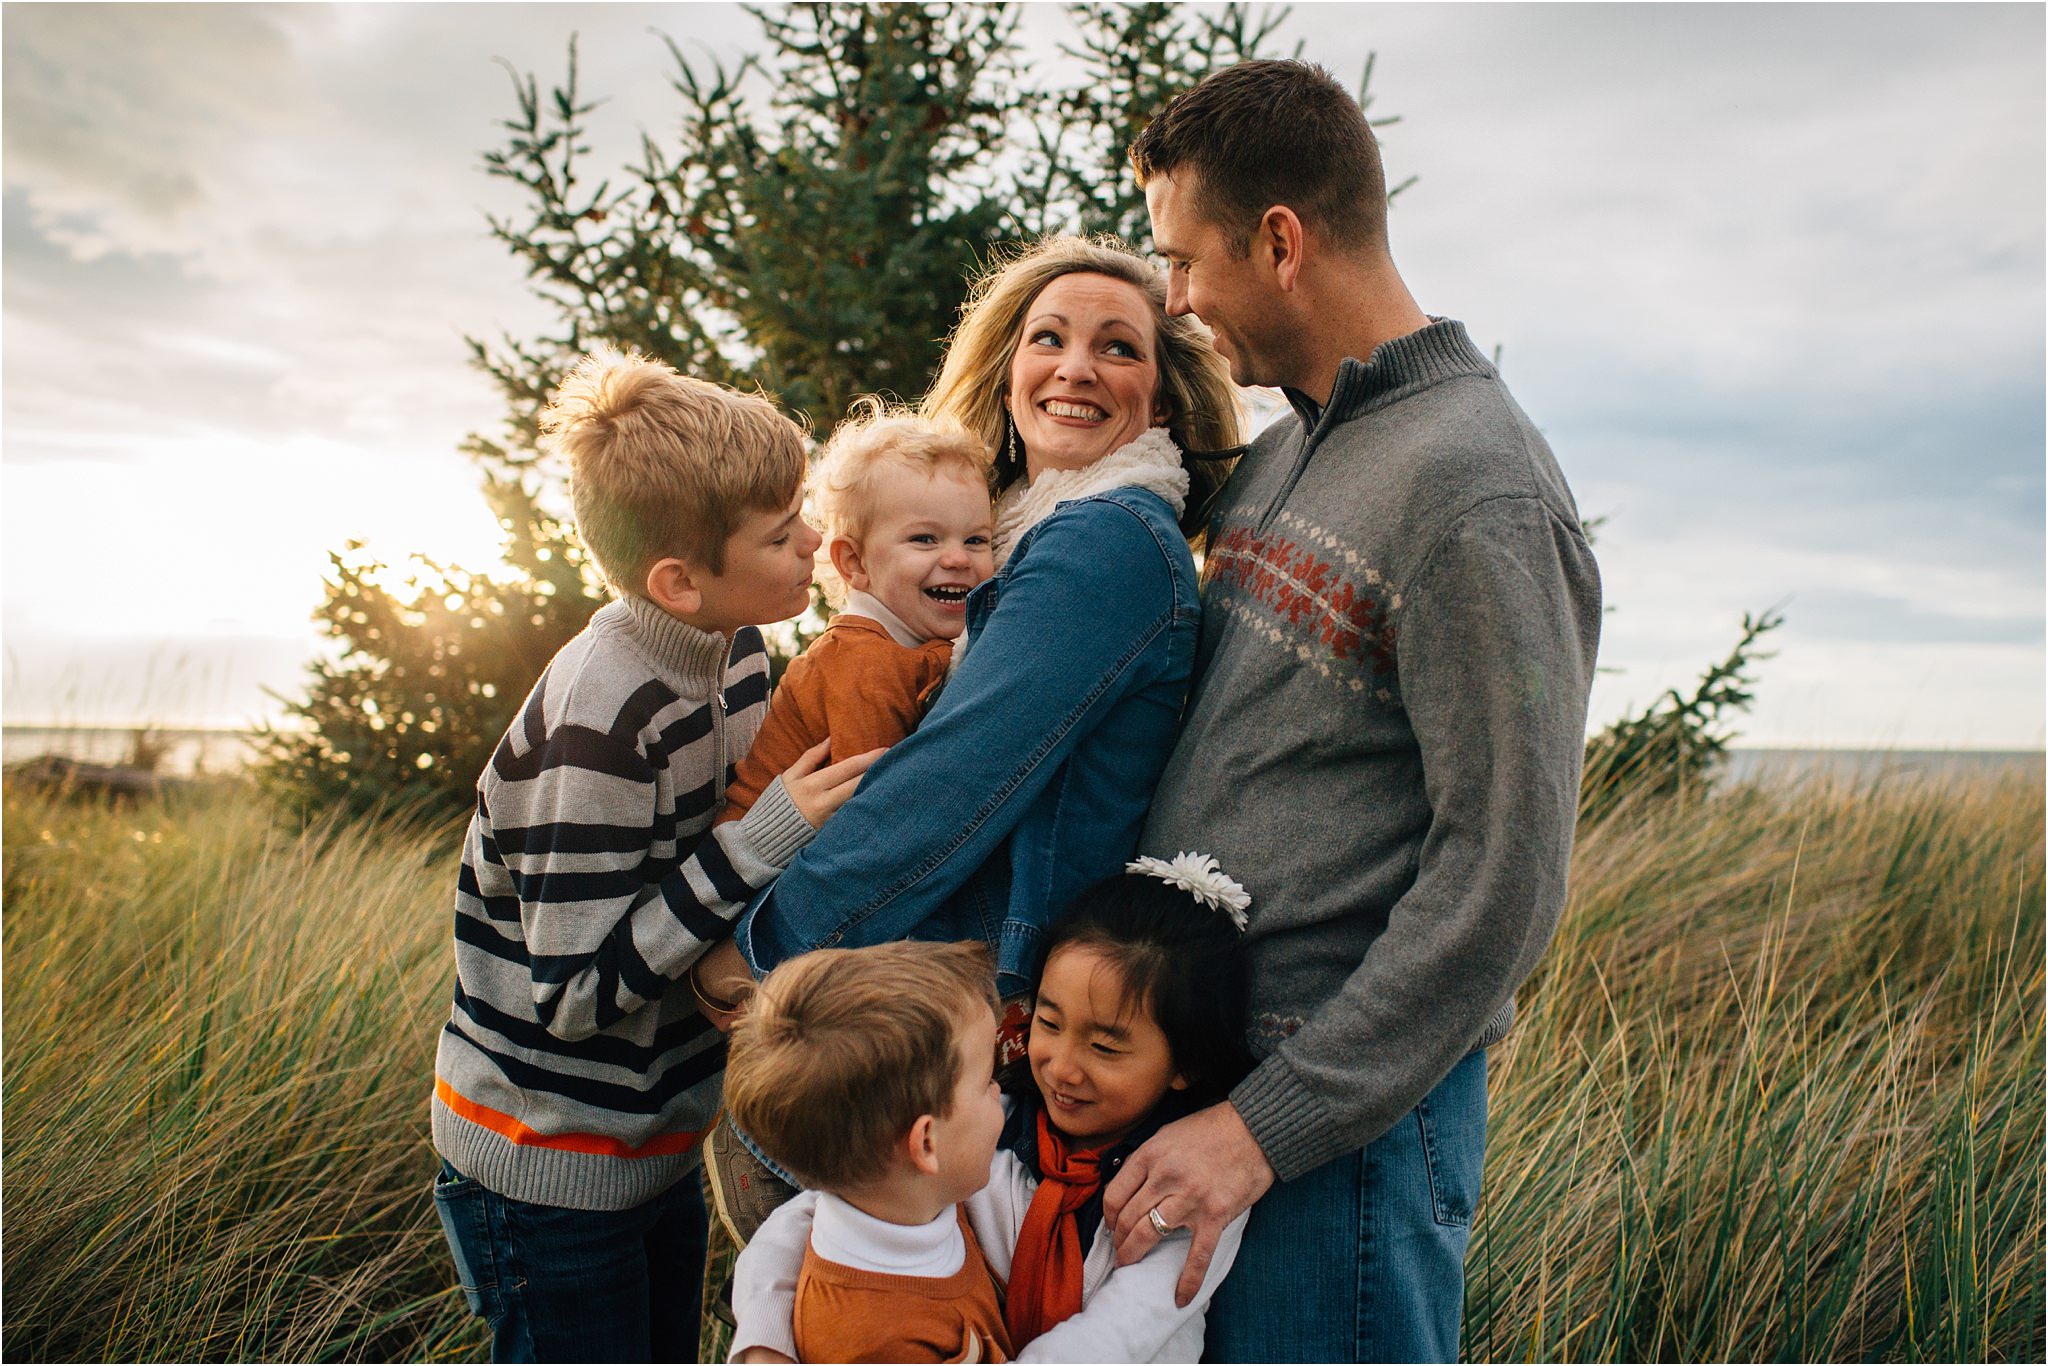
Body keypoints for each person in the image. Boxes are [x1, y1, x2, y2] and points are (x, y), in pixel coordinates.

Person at [1098, 60, 1605, 1363]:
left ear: (1279, 241)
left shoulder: (1474, 490)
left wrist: (1269, 1125)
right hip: (1213, 1090)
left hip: (1340, 1144)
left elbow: (1503, 874)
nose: (1175, 301)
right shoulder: (1289, 444)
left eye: (1182, 259)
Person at [689, 233, 1242, 1074]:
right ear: (1011, 370)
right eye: (1047, 338)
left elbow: (946, 784)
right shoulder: (1014, 529)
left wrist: (763, 951)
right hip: (913, 987)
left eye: (1118, 348)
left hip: (955, 1001)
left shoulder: (1106, 541)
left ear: (1161, 403)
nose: (1075, 367)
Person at [428, 348, 879, 1362]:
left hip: (660, 1140)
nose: (814, 539)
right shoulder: (600, 720)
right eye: (778, 533)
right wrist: (754, 845)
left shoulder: (739, 651)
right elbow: (575, 990)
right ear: (678, 581)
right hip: (547, 1167)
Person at [732, 857, 1259, 1363]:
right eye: (1049, 1024)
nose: (1062, 1067)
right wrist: (764, 1341)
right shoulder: (985, 1126)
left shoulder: (1191, 1184)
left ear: (1185, 1062)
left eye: (1105, 1048)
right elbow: (817, 1213)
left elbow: (1123, 1331)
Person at [720, 940, 1012, 1363]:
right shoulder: (879, 1344)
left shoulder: (911, 1200)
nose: (1000, 1092)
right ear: (926, 1143)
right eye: (987, 1081)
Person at [715, 404, 995, 828]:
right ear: (855, 562)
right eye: (924, 539)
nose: (957, 558)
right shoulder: (863, 663)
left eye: (976, 539)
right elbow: (875, 808)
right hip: (755, 875)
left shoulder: (903, 643)